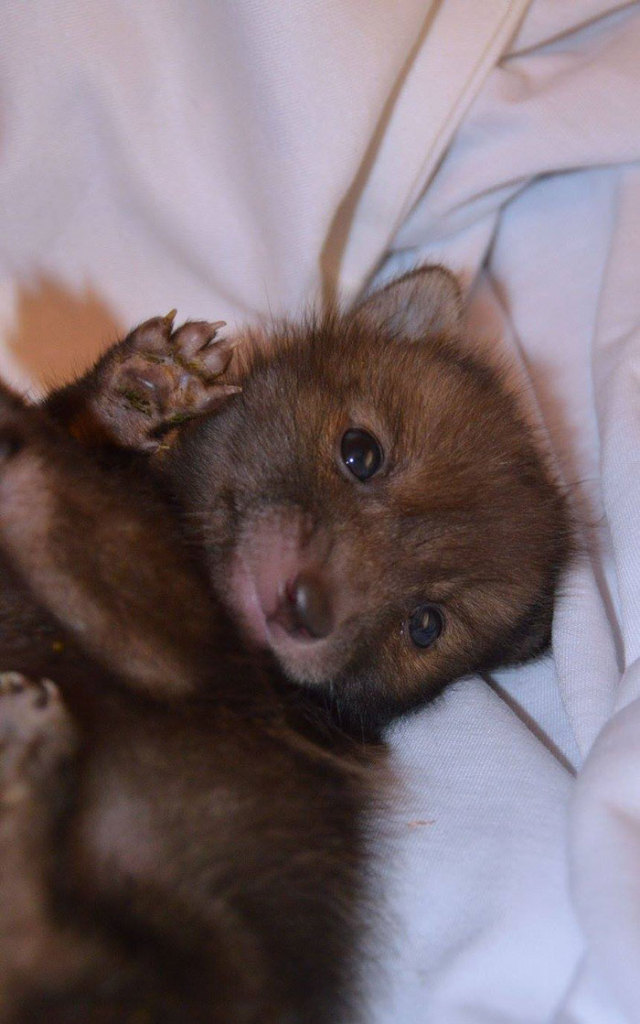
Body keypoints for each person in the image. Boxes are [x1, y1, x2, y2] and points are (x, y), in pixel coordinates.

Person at [2, 2, 639, 1019]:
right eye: (359, 454)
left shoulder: (264, 754)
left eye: (425, 625)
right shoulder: (151, 481)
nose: (340, 589)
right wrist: (85, 429)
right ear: (331, 348)